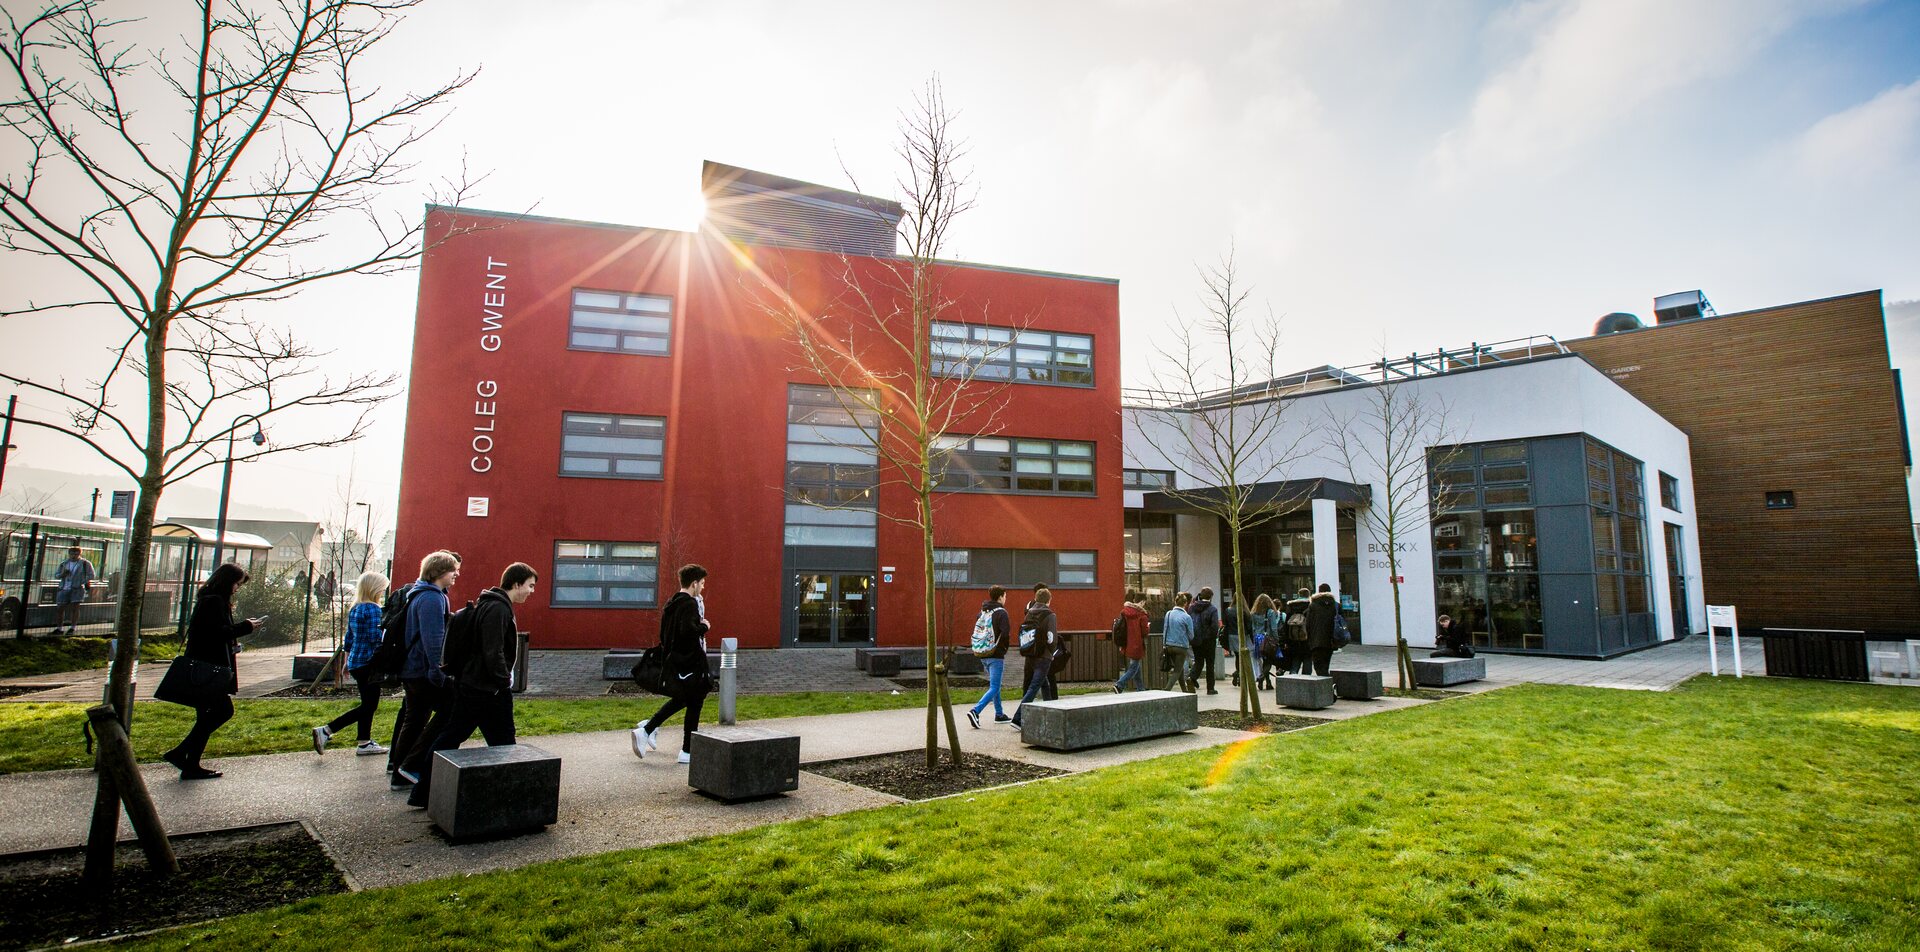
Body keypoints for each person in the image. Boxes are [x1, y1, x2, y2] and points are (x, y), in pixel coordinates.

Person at [407, 563, 536, 807]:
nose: (531, 591)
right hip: (488, 690)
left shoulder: (489, 603)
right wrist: (503, 681)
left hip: (472, 686)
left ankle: (422, 791)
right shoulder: (498, 609)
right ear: (516, 584)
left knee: (453, 736)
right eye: (530, 586)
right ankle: (511, 796)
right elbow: (492, 650)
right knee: (502, 741)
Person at [162, 563, 264, 780]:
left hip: (206, 668)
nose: (237, 589)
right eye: (236, 584)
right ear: (227, 582)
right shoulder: (214, 602)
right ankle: (181, 754)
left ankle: (190, 763)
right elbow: (217, 633)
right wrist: (246, 626)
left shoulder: (209, 599)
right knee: (222, 711)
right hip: (209, 670)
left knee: (206, 716)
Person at [390, 550, 461, 790]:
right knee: (450, 711)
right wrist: (438, 672)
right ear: (440, 572)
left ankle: (400, 774)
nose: (456, 574)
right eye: (453, 570)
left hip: (411, 668)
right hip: (423, 670)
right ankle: (413, 763)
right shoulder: (432, 598)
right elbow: (434, 639)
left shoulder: (417, 594)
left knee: (414, 720)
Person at [634, 564, 712, 763]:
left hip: (677, 661)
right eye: (702, 583)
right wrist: (704, 626)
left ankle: (649, 729)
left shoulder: (672, 604)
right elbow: (688, 632)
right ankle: (685, 750)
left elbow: (665, 634)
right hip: (690, 662)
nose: (703, 587)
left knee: (686, 699)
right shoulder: (689, 604)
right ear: (694, 583)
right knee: (694, 701)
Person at [312, 571, 391, 756]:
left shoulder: (356, 608)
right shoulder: (373, 609)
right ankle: (327, 730)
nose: (383, 592)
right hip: (369, 663)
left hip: (357, 661)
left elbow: (349, 638)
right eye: (382, 588)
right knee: (369, 706)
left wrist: (347, 661)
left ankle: (364, 743)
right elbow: (375, 638)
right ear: (375, 589)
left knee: (367, 703)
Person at [1008, 587, 1059, 728]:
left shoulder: (1029, 613)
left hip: (1030, 654)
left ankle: (1051, 713)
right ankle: (1017, 719)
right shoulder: (1050, 615)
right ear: (1049, 600)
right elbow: (1051, 638)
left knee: (1045, 684)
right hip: (1044, 657)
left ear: (1036, 599)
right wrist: (1052, 652)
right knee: (1034, 687)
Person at [965, 585, 1012, 728]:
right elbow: (1005, 634)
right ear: (1000, 597)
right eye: (1005, 595)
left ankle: (999, 714)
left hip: (983, 653)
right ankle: (975, 711)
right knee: (995, 687)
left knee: (994, 685)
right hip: (995, 655)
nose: (1005, 598)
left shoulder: (983, 612)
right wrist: (1003, 649)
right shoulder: (1001, 613)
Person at [1112, 591, 1150, 693]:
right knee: (1133, 667)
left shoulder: (1125, 612)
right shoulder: (1142, 615)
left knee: (1136, 666)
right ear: (1142, 602)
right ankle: (1119, 685)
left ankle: (1140, 688)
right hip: (1137, 644)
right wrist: (1148, 627)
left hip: (1127, 643)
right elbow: (1145, 632)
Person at [1186, 587, 1221, 695]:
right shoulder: (1212, 609)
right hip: (1208, 641)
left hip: (1196, 639)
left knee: (1199, 661)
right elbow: (1215, 626)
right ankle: (1210, 688)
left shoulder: (1192, 608)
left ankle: (1192, 677)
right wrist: (1212, 636)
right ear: (1210, 597)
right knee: (1210, 664)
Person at [54, 546, 94, 634]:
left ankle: (72, 628)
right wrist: (62, 574)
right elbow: (56, 575)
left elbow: (91, 575)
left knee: (75, 608)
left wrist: (80, 582)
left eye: (76, 554)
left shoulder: (85, 563)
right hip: (64, 587)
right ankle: (59, 628)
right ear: (69, 554)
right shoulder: (64, 563)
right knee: (60, 608)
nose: (74, 556)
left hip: (77, 589)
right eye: (72, 554)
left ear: (80, 554)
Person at [1304, 583, 1341, 676]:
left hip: (1316, 641)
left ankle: (1326, 686)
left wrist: (1308, 638)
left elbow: (1308, 624)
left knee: (1318, 666)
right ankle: (1327, 685)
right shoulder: (1336, 605)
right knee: (1325, 664)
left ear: (1319, 591)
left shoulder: (1313, 605)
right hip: (1331, 640)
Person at [1162, 592, 1195, 692]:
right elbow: (1191, 635)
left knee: (1179, 668)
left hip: (1169, 645)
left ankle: (1184, 691)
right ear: (1185, 604)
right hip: (1181, 647)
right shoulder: (1187, 617)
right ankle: (1167, 689)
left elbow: (1165, 629)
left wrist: (1164, 644)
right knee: (1177, 670)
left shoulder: (1168, 614)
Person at [1248, 593, 1280, 689]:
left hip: (1257, 638)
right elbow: (1274, 628)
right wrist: (1277, 639)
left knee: (1261, 661)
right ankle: (1261, 678)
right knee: (1268, 661)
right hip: (1267, 639)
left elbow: (1252, 628)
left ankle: (1268, 682)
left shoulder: (1253, 613)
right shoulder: (1270, 612)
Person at [1283, 588, 1312, 674]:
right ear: (1308, 595)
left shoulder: (1291, 606)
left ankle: (1293, 677)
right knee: (1307, 659)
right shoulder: (1311, 605)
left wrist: (1286, 640)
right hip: (1307, 638)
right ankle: (1306, 680)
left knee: (1295, 660)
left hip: (1293, 639)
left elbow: (1286, 625)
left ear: (1299, 594)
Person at [1221, 594, 1240, 686]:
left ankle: (1238, 673)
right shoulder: (1243, 610)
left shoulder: (1228, 610)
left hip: (1231, 635)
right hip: (1241, 635)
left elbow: (1225, 623)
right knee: (1242, 656)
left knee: (1237, 655)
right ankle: (1239, 674)